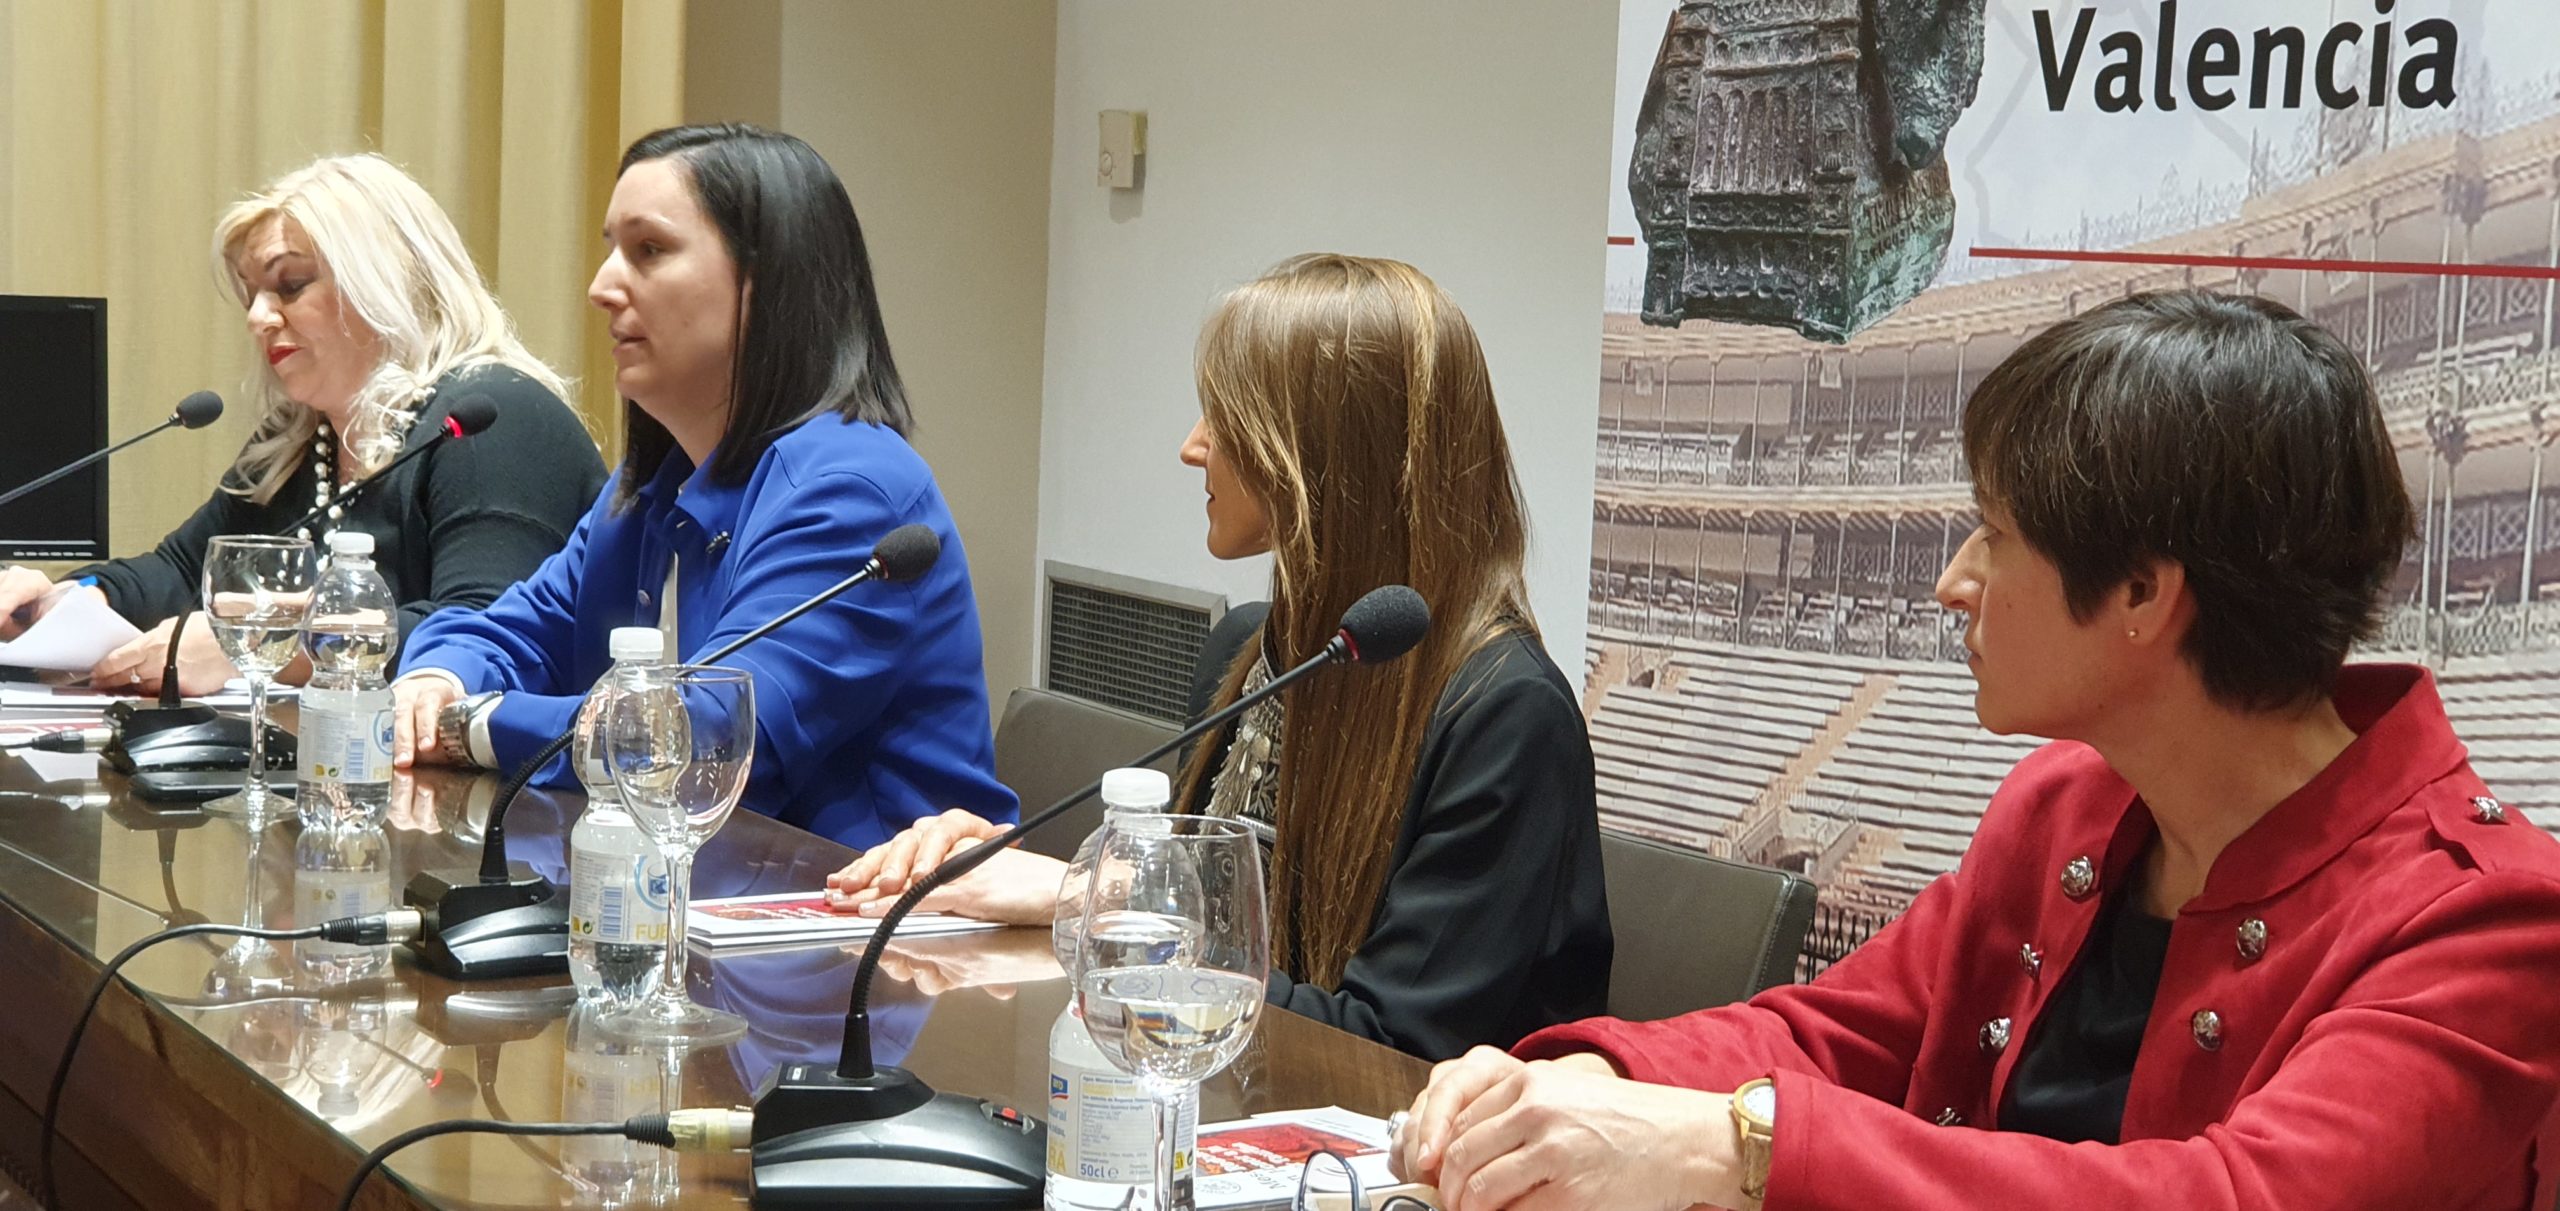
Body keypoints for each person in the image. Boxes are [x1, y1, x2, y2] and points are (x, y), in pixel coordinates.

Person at [1390, 290, 2560, 1211]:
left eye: (1994, 534)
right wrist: (1588, 1081)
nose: (1953, 580)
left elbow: (2235, 1194)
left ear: (2143, 592)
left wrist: (1736, 1144)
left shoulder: (2491, 921)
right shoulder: (2065, 806)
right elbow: (1832, 1030)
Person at [826, 254, 1611, 1061]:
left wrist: (1087, 904)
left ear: (1328, 456)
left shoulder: (1507, 715)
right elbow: (1197, 917)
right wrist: (1005, 876)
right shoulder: (1250, 645)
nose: (1192, 446)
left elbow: (1388, 1047)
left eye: (1225, 418)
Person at [392, 124, 1014, 851]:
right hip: (690, 892)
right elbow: (501, 631)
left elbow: (700, 742)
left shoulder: (853, 493)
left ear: (765, 284)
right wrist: (436, 679)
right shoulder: (653, 490)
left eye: (649, 250)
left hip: (869, 910)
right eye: (611, 249)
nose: (601, 288)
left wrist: (472, 726)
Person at [0, 153, 604, 695]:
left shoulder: (490, 419)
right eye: (252, 295)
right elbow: (182, 573)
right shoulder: (299, 441)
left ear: (384, 283)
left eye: (290, 286)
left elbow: (484, 633)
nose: (259, 318)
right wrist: (66, 601)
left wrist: (257, 641)